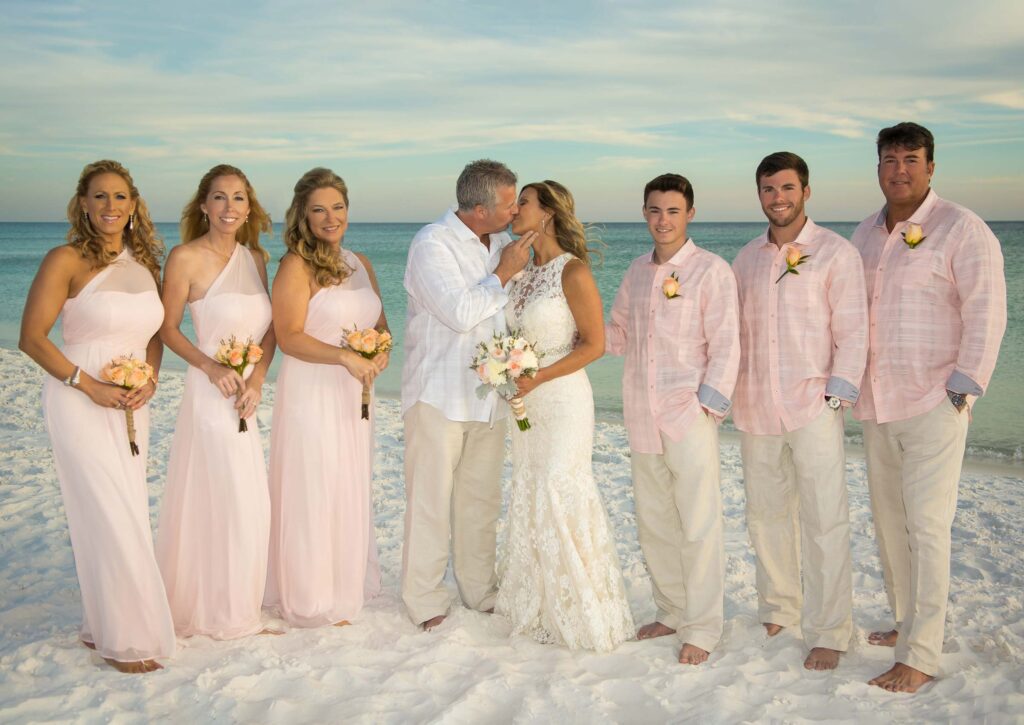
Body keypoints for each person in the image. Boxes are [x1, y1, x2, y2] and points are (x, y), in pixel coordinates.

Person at [851, 122, 1006, 692]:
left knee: (928, 525)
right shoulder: (865, 233)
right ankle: (906, 622)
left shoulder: (962, 228)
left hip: (933, 401)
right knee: (891, 524)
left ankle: (921, 654)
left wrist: (961, 392)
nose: (899, 170)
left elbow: (987, 312)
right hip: (876, 401)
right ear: (878, 169)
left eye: (911, 159)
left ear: (931, 167)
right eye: (889, 160)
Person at [19, 160, 175, 673]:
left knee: (124, 507)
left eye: (120, 197)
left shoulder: (145, 265)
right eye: (100, 197)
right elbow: (32, 339)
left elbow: (154, 336)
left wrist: (149, 380)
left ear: (134, 206)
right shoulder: (64, 259)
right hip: (79, 398)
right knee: (107, 510)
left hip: (131, 403)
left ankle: (100, 624)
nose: (111, 206)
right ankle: (126, 638)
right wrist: (88, 387)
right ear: (83, 204)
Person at [731, 152, 867, 670]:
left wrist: (834, 397)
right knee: (765, 516)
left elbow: (853, 331)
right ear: (760, 195)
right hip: (755, 407)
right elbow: (734, 335)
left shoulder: (836, 253)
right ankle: (779, 606)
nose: (778, 198)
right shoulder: (745, 260)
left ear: (806, 192)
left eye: (787, 188)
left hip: (812, 406)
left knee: (824, 519)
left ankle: (831, 629)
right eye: (768, 189)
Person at [605, 173, 739, 665]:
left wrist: (707, 407)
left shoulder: (711, 270)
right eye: (655, 211)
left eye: (673, 211)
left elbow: (727, 344)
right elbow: (616, 332)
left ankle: (703, 626)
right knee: (655, 520)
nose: (664, 221)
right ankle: (671, 609)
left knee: (699, 523)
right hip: (641, 413)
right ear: (644, 213)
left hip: (688, 415)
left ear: (690, 214)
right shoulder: (637, 272)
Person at [495, 180, 634, 651]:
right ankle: (539, 606)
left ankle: (584, 609)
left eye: (525, 204)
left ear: (549, 213)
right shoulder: (518, 274)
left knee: (560, 484)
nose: (515, 209)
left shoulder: (572, 272)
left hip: (563, 397)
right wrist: (505, 370)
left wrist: (540, 375)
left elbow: (595, 345)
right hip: (525, 400)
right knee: (531, 487)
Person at [401, 160, 533, 630]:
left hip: (488, 395)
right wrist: (504, 273)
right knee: (430, 501)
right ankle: (424, 600)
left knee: (480, 500)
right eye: (508, 202)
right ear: (479, 209)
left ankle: (479, 590)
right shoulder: (431, 244)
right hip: (438, 393)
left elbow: (505, 316)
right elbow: (459, 312)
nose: (516, 209)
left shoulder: (500, 242)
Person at [155, 164, 276, 639]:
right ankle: (216, 611)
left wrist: (258, 379)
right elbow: (166, 329)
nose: (230, 208)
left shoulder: (257, 259)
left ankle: (236, 603)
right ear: (203, 205)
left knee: (248, 499)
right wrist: (211, 367)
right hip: (210, 394)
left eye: (239, 198)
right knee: (225, 496)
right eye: (220, 198)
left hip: (246, 395)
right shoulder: (184, 257)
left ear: (250, 208)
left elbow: (269, 331)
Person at [265, 168, 389, 627]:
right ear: (303, 215)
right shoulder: (295, 266)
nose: (330, 217)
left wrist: (380, 354)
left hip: (355, 393)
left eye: (337, 207)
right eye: (318, 209)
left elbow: (381, 325)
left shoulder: (361, 263)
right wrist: (345, 358)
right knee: (312, 483)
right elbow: (288, 336)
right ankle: (310, 592)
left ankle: (344, 579)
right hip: (313, 389)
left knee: (347, 479)